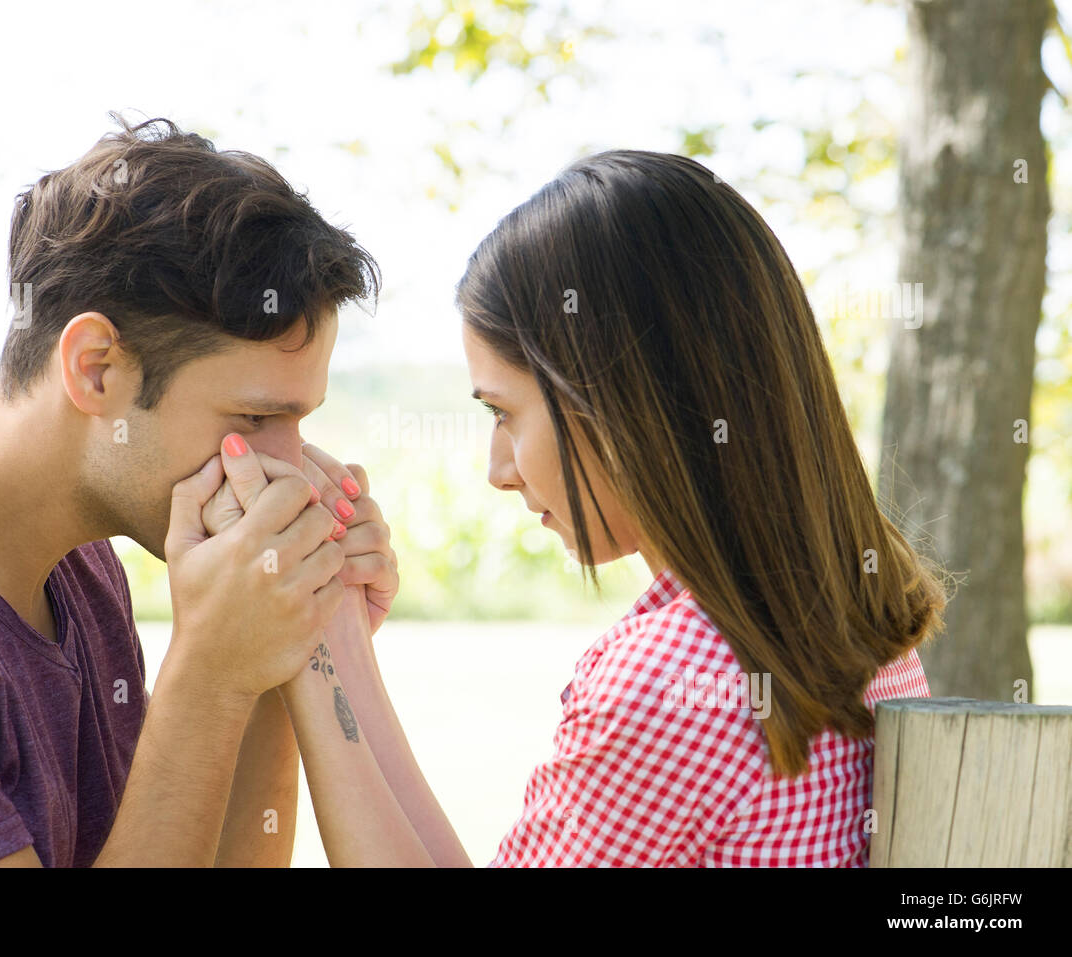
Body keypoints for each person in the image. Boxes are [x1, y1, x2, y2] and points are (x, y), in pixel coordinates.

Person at [262, 150, 949, 867]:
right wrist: (334, 636)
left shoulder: (668, 684)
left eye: (504, 412)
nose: (498, 471)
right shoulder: (850, 619)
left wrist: (307, 657)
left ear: (617, 402)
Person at [0, 114, 400, 867]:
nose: (292, 468)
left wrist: (281, 646)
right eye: (258, 416)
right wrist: (210, 677)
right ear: (96, 368)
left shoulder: (81, 564)